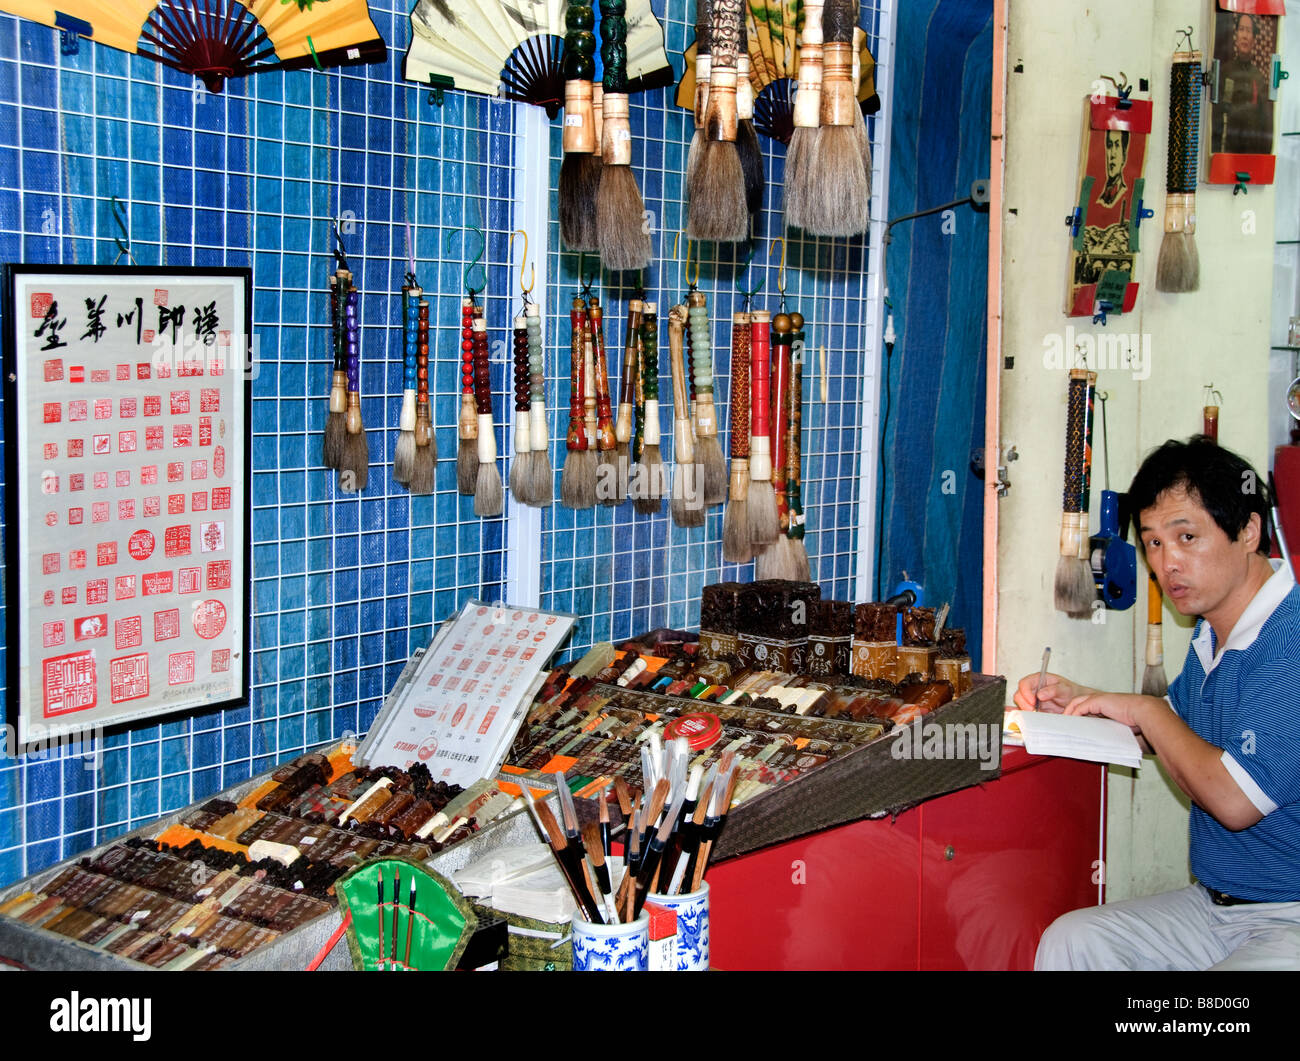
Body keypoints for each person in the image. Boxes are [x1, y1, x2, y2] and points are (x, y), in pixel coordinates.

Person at [1018, 437, 1300, 970]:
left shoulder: (1291, 638)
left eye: (1186, 537)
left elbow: (1236, 803)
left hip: (1290, 917)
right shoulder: (1216, 629)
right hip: (1216, 909)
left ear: (1248, 532)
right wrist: (1083, 703)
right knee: (1073, 942)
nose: (1167, 564)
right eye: (1152, 543)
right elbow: (1175, 736)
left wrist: (1146, 710)